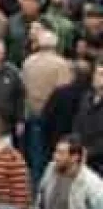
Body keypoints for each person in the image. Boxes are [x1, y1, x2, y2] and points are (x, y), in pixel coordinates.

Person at [22, 27, 72, 181]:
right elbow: (65, 92)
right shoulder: (61, 64)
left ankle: (36, 184)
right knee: (51, 155)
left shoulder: (28, 62)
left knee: (35, 155)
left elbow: (23, 88)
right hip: (54, 117)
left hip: (31, 113)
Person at [35, 134, 103, 209]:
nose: (55, 157)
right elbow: (41, 197)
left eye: (61, 153)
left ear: (74, 157)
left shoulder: (91, 182)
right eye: (55, 151)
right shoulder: (51, 168)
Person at [73, 58, 103, 173]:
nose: (96, 77)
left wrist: (88, 152)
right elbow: (77, 123)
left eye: (101, 74)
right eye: (96, 73)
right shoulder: (87, 97)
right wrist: (76, 146)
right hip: (82, 157)